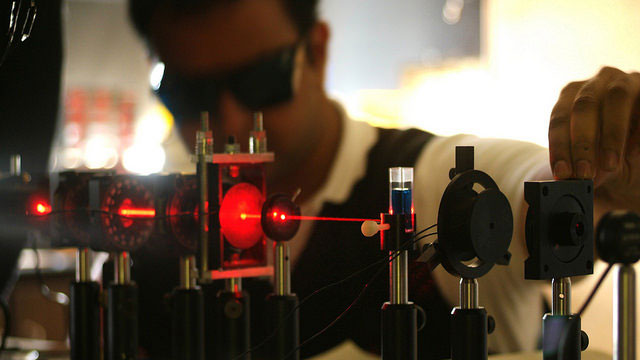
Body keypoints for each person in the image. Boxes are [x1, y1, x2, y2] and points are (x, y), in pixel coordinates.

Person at [127, 0, 640, 358]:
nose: (231, 121)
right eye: (188, 92)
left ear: (318, 50)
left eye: (260, 80)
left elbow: (538, 195)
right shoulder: (150, 234)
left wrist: (604, 172)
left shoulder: (430, 184)